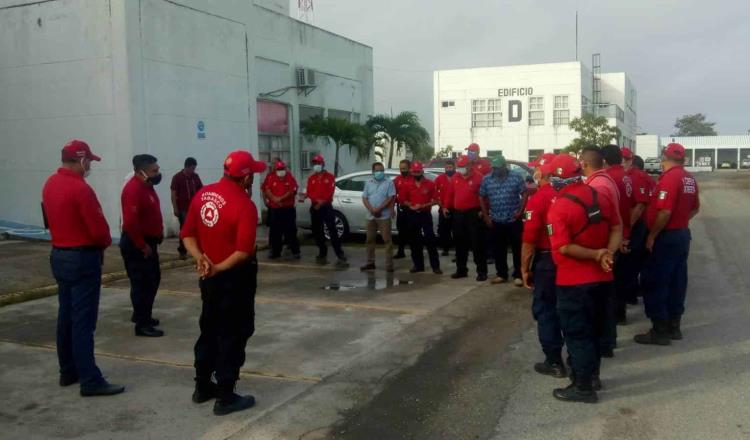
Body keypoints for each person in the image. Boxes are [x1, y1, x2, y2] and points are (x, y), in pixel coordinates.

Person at [180, 150, 266, 416]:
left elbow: (187, 235)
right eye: (252, 174)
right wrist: (218, 267)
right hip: (233, 277)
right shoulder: (244, 205)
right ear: (246, 178)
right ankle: (226, 394)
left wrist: (201, 259)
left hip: (209, 277)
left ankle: (202, 386)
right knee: (234, 331)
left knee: (209, 328)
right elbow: (243, 251)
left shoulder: (203, 194)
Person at [41, 140, 125, 397]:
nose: (90, 166)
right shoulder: (81, 189)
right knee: (83, 321)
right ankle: (90, 379)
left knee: (65, 315)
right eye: (89, 161)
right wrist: (104, 243)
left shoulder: (50, 184)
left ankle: (68, 370)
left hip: (59, 254)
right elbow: (99, 231)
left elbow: (47, 219)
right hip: (82, 258)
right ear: (82, 160)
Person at [546, 153, 622, 403]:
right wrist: (607, 253)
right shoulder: (598, 196)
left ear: (558, 178)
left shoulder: (558, 208)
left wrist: (596, 253)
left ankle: (583, 388)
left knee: (578, 335)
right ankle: (592, 378)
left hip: (573, 282)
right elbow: (617, 227)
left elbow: (564, 248)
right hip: (603, 278)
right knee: (595, 332)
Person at [635, 143, 700, 345]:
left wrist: (653, 235)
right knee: (677, 281)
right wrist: (681, 222)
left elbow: (665, 212)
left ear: (664, 157)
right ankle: (674, 326)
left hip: (666, 237)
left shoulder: (670, 179)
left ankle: (660, 329)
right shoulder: (689, 178)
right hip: (681, 234)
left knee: (657, 281)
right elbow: (695, 208)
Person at [520, 153, 566, 378]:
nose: (534, 175)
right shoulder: (567, 194)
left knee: (546, 310)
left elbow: (529, 239)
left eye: (536, 171)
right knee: (567, 307)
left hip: (547, 260)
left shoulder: (537, 199)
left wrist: (524, 268)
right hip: (568, 259)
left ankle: (554, 361)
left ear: (544, 174)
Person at [579, 146, 619, 357]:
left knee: (601, 302)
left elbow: (602, 223)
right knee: (605, 299)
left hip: (601, 250)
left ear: (584, 164)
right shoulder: (605, 180)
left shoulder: (598, 185)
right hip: (604, 248)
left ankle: (604, 343)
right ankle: (606, 341)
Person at [120, 154, 165, 338]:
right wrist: (142, 245)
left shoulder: (148, 187)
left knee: (152, 280)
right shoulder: (133, 189)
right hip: (137, 244)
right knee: (143, 283)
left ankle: (144, 314)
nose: (158, 173)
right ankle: (142, 324)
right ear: (141, 172)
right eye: (154, 171)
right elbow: (131, 222)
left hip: (149, 242)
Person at [479, 154, 528, 285]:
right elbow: (481, 197)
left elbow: (525, 193)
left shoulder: (516, 177)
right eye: (493, 168)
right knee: (498, 249)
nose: (495, 170)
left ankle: (518, 274)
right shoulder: (487, 179)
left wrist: (520, 211)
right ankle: (502, 274)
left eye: (498, 168)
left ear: (504, 166)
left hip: (513, 219)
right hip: (496, 219)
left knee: (517, 248)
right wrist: (486, 215)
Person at [445, 155, 487, 281]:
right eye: (459, 166)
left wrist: (483, 211)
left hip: (473, 214)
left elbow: (485, 196)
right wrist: (446, 206)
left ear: (469, 165)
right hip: (458, 214)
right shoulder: (455, 177)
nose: (460, 169)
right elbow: (450, 194)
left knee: (477, 244)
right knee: (459, 243)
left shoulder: (479, 177)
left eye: (463, 166)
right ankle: (461, 269)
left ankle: (481, 271)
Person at [619, 148, 651, 306]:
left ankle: (629, 295)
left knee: (630, 262)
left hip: (636, 224)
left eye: (626, 159)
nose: (623, 162)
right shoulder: (624, 176)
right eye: (621, 159)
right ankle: (630, 294)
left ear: (631, 160)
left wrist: (627, 228)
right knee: (630, 262)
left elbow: (639, 206)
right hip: (631, 224)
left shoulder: (636, 176)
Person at [306, 155, 348, 267]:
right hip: (315, 207)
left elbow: (330, 191)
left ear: (323, 164)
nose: (316, 165)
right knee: (317, 231)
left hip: (326, 207)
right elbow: (309, 192)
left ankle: (339, 253)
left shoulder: (329, 177)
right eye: (315, 163)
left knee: (332, 231)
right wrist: (316, 201)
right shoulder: (311, 178)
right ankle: (322, 252)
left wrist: (322, 202)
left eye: (318, 163)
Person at [403, 161, 442, 274]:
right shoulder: (407, 184)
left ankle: (435, 266)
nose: (416, 174)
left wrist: (423, 205)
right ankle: (418, 265)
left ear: (422, 171)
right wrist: (411, 205)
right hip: (412, 215)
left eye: (418, 172)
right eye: (414, 172)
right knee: (414, 241)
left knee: (430, 240)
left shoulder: (430, 184)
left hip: (425, 215)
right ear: (412, 172)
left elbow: (436, 200)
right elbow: (403, 200)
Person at [360, 162, 396, 272]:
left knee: (387, 241)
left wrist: (379, 208)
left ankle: (389, 265)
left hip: (383, 216)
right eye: (377, 170)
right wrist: (372, 209)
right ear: (373, 172)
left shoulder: (389, 182)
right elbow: (365, 198)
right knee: (369, 240)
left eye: (381, 170)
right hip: (370, 216)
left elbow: (391, 197)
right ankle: (370, 263)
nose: (379, 172)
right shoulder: (368, 183)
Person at [262, 160, 300, 260]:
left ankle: (295, 251)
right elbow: (267, 189)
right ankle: (275, 252)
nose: (280, 171)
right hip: (276, 209)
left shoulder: (289, 177)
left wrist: (281, 198)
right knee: (275, 232)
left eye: (282, 169)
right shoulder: (271, 177)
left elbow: (293, 190)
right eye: (278, 169)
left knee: (291, 231)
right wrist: (274, 199)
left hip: (288, 209)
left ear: (285, 169)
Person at [171, 157, 203, 260]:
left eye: (194, 168)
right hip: (183, 208)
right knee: (184, 230)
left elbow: (201, 190)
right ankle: (182, 251)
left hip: (194, 208)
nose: (193, 170)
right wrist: (175, 208)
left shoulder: (195, 177)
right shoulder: (177, 177)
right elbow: (173, 193)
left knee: (197, 229)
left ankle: (197, 250)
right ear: (187, 167)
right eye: (192, 168)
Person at [434, 160, 455, 256]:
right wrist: (442, 207)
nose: (448, 169)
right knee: (443, 230)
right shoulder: (439, 178)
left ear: (454, 167)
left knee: (457, 231)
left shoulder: (459, 177)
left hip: (457, 209)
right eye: (447, 167)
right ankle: (445, 249)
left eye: (450, 167)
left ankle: (458, 251)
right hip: (443, 209)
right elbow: (435, 194)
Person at [393, 159, 413, 259]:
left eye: (404, 168)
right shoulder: (397, 180)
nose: (402, 170)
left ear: (409, 168)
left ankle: (415, 252)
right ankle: (401, 252)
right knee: (401, 231)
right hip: (401, 209)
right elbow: (393, 195)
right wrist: (392, 208)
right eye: (401, 169)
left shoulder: (414, 179)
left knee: (413, 232)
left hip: (412, 209)